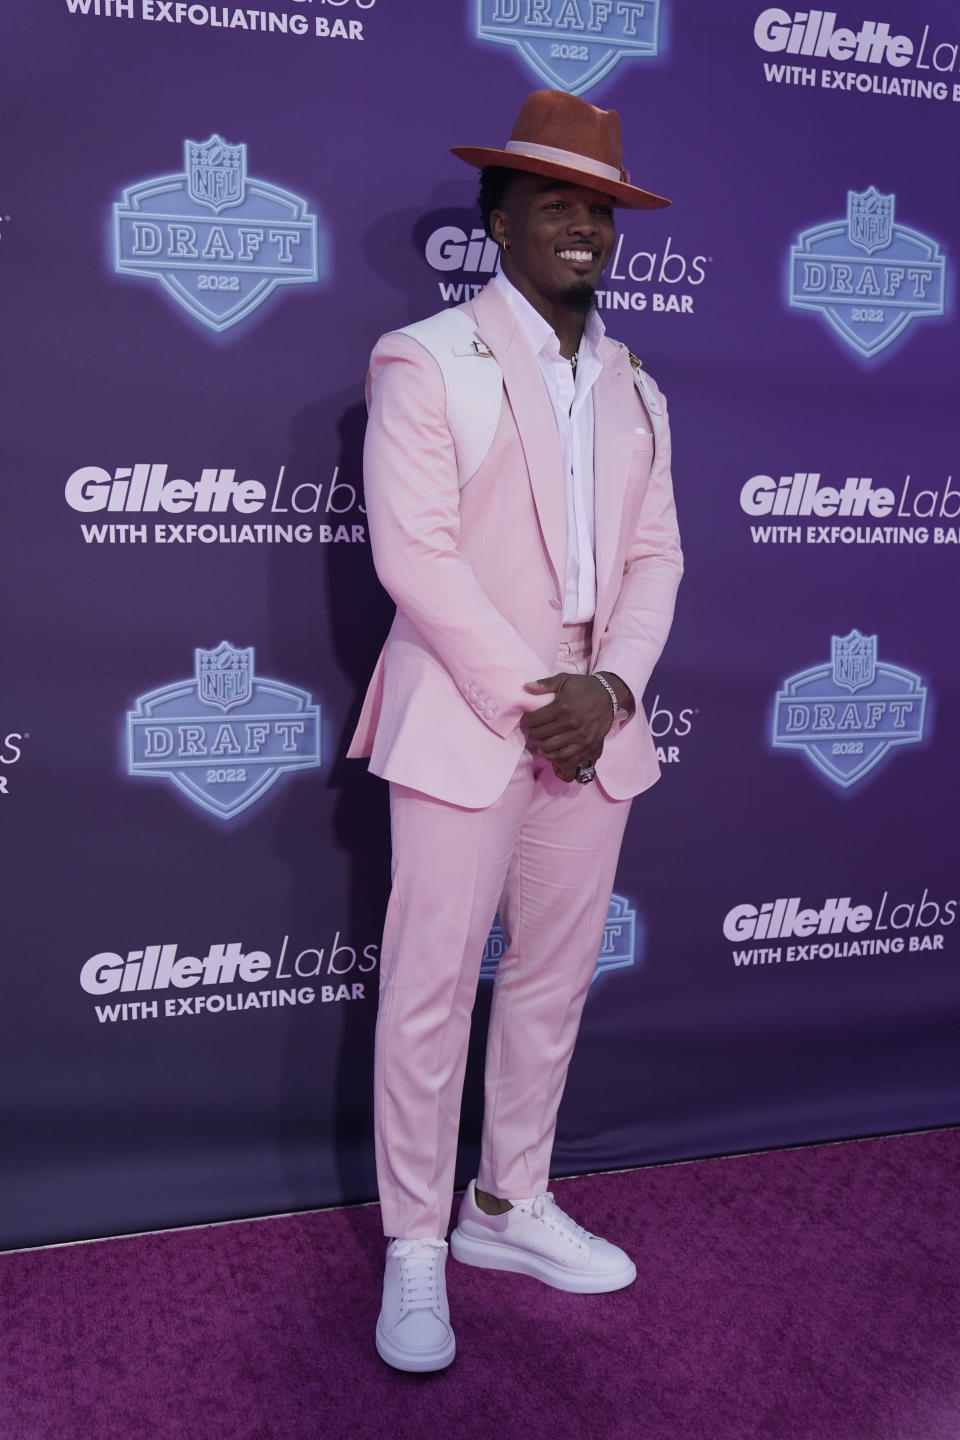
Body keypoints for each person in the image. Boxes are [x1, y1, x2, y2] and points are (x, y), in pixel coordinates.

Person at [348, 88, 683, 1372]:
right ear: (498, 220)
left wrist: (616, 692)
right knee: (431, 992)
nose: (584, 226)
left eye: (599, 207)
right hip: (470, 720)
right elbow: (415, 558)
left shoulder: (641, 387)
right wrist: (544, 701)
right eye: (556, 204)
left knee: (548, 981)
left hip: (599, 728)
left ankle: (507, 1205)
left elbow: (658, 557)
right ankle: (417, 1245)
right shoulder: (424, 359)